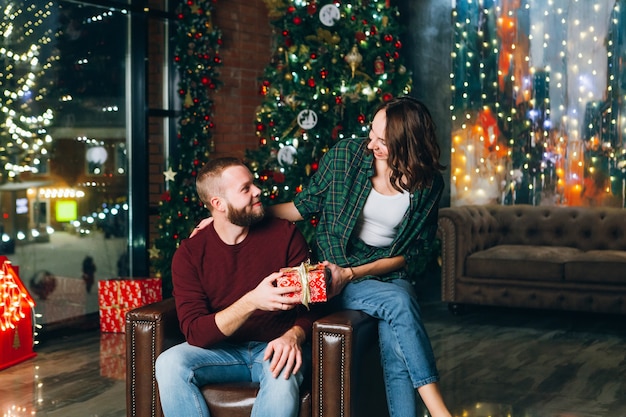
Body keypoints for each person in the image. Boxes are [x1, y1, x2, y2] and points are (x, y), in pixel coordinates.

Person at [155, 157, 324, 417]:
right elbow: (195, 332)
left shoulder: (285, 235)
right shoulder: (190, 253)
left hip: (275, 345)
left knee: (282, 370)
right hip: (220, 352)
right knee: (168, 363)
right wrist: (252, 301)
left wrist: (293, 336)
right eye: (245, 188)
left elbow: (313, 304)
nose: (257, 190)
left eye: (253, 183)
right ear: (218, 204)